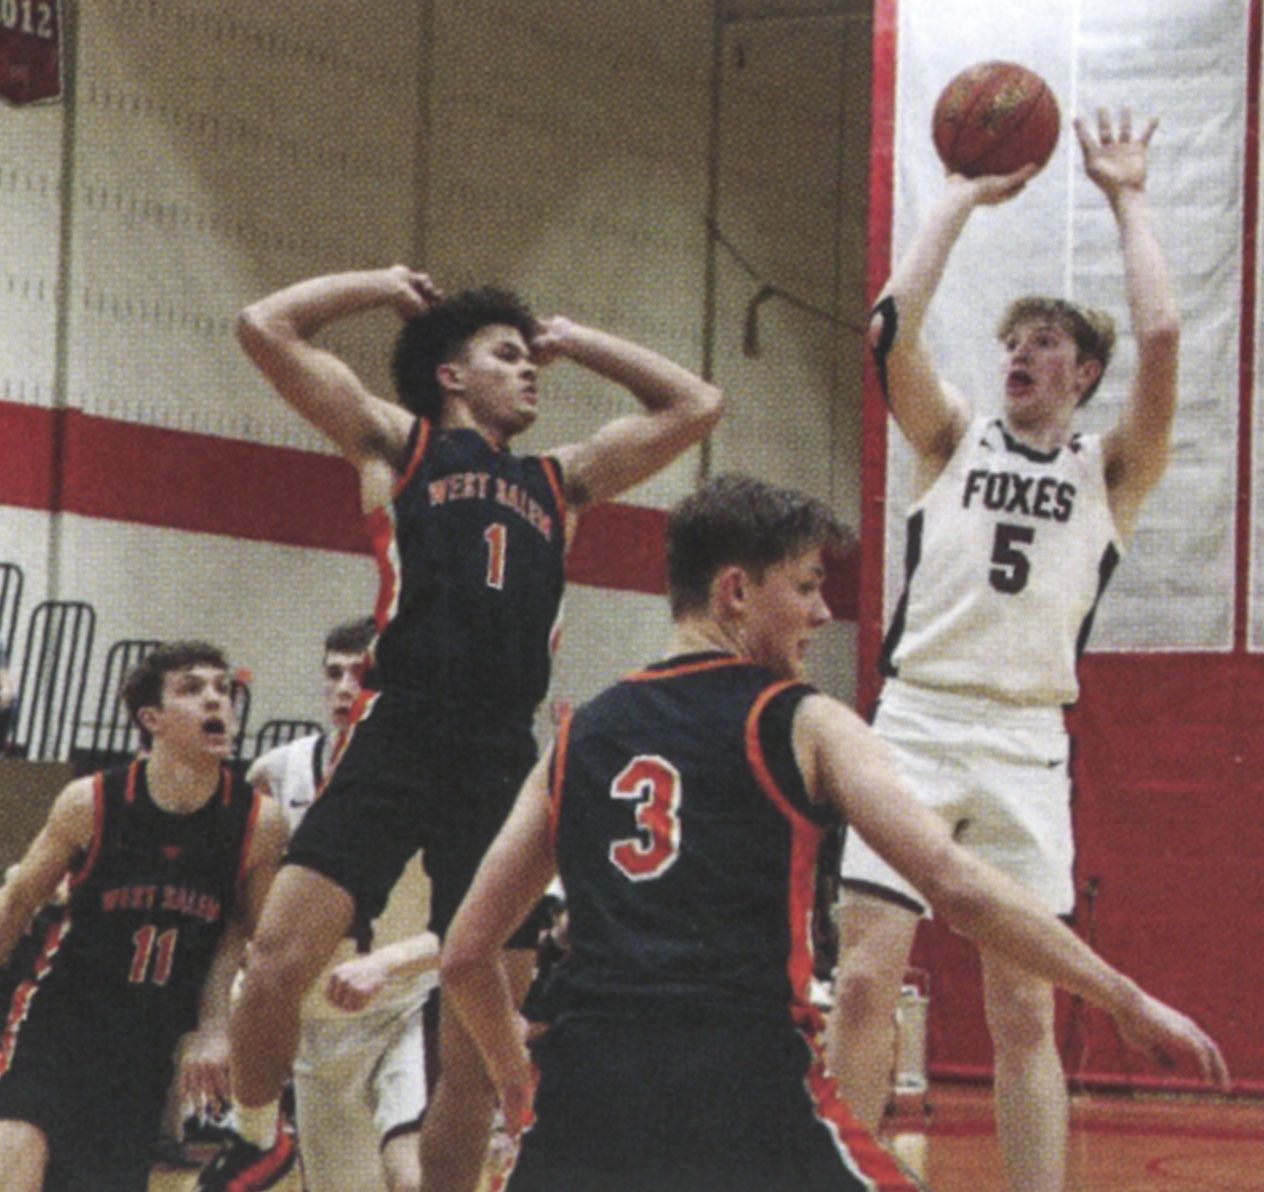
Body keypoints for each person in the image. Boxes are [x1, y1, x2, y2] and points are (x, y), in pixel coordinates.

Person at [440, 475, 1227, 1192]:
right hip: (746, 1089)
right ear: (736, 592)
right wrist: (1122, 998)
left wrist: (517, 1086)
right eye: (808, 587)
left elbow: (467, 954)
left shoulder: (579, 735)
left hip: (587, 1102)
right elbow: (955, 885)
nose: (823, 613)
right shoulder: (803, 720)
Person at [203, 266, 723, 1191]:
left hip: (501, 753)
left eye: (534, 361)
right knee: (278, 959)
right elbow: (264, 326)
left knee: (480, 1027)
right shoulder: (396, 446)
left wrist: (576, 337)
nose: (533, 373)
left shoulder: (561, 481)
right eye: (509, 356)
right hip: (400, 728)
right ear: (451, 374)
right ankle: (253, 1135)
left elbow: (695, 404)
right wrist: (379, 287)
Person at [829, 108, 1181, 1191]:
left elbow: (1161, 338)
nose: (1021, 353)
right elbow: (891, 328)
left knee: (1026, 1005)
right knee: (860, 982)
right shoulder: (952, 437)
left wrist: (1125, 196)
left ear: (1080, 374)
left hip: (1026, 739)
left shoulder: (1109, 472)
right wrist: (955, 198)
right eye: (1013, 341)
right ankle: (843, 1175)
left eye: (1044, 345)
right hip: (918, 721)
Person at [0, 641, 287, 1192]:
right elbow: (17, 902)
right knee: (18, 1159)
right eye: (192, 689)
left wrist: (213, 1026)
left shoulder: (258, 823)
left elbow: (238, 930)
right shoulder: (91, 802)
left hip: (146, 1042)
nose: (216, 701)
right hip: (56, 1019)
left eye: (223, 689)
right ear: (151, 719)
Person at [244, 616, 439, 1192]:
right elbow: (249, 907)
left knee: (413, 1174)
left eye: (362, 673)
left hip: (406, 1003)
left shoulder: (440, 775)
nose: (345, 688)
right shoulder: (275, 773)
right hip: (316, 1019)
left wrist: (389, 962)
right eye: (334, 674)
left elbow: (471, 920)